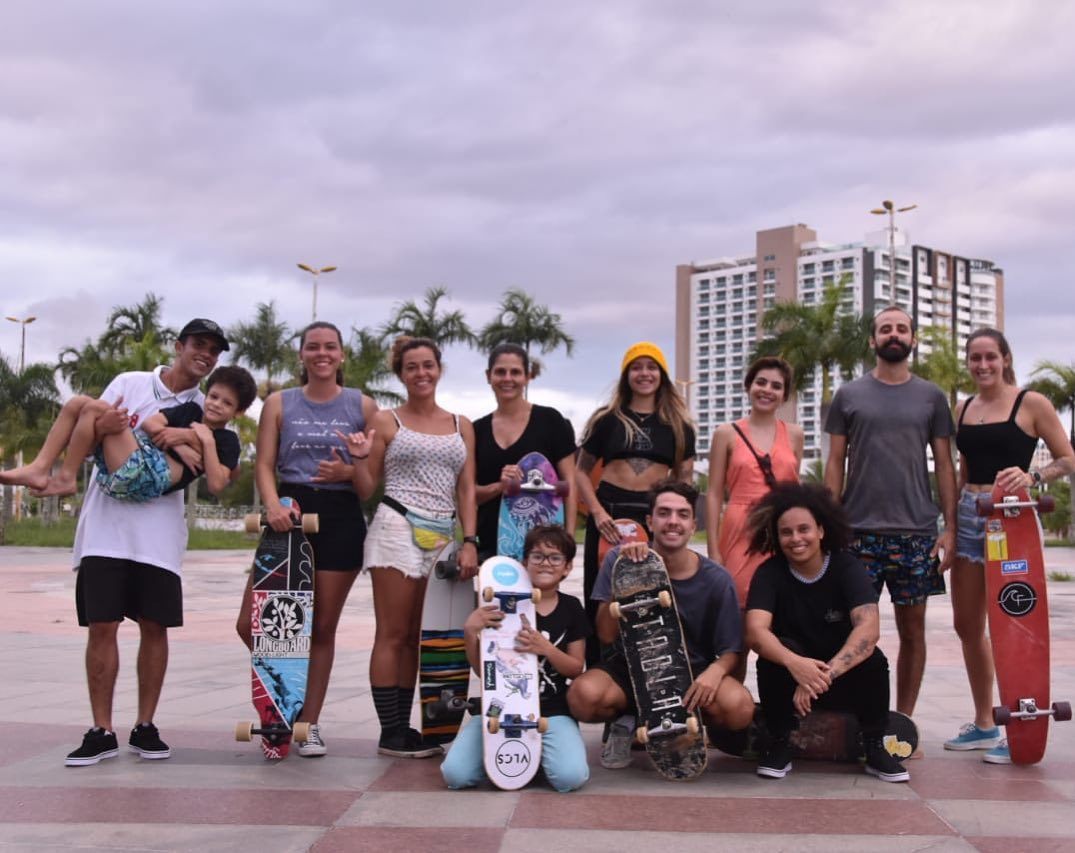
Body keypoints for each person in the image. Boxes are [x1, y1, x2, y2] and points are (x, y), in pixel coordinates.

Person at [64, 318, 228, 767]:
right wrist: (108, 426)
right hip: (105, 531)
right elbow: (90, 432)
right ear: (178, 346)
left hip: (159, 538)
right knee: (102, 627)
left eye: (214, 350)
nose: (205, 354)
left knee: (155, 628)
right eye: (198, 344)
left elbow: (209, 473)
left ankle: (145, 725)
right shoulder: (130, 383)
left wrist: (191, 439)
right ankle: (101, 730)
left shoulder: (207, 410)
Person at [237, 321, 378, 758]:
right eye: (313, 347)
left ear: (341, 354)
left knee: (320, 629)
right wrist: (272, 506)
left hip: (340, 517)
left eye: (330, 347)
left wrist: (352, 468)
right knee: (252, 623)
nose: (322, 354)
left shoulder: (363, 405)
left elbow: (369, 487)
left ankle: (307, 724)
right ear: (301, 354)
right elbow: (264, 463)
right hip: (289, 516)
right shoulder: (279, 403)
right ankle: (284, 690)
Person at [944, 328, 1075, 763]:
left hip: (1012, 518)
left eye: (990, 357)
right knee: (967, 624)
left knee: (1013, 624)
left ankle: (1020, 725)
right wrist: (951, 525)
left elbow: (1068, 458)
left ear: (1005, 359)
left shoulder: (1031, 403)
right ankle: (985, 723)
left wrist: (1033, 476)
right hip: (971, 514)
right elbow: (963, 472)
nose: (982, 365)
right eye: (975, 358)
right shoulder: (963, 408)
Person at [824, 305, 956, 722]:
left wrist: (950, 527)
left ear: (913, 339)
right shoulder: (848, 395)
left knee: (913, 632)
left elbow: (945, 464)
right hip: (857, 534)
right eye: (885, 329)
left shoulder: (932, 397)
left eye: (901, 328)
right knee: (850, 631)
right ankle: (853, 720)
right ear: (873, 340)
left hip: (916, 535)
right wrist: (829, 523)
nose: (893, 334)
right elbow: (835, 462)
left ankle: (903, 722)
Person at [567, 479, 754, 769]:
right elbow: (604, 634)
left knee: (739, 708)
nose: (673, 521)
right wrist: (628, 578)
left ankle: (688, 725)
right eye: (664, 513)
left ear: (693, 525)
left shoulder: (716, 579)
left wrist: (714, 673)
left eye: (683, 514)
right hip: (630, 672)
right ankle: (627, 720)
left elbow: (731, 650)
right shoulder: (619, 559)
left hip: (690, 674)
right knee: (583, 697)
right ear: (650, 522)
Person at [353, 336, 478, 758]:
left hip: (443, 535)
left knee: (426, 636)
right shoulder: (386, 421)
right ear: (401, 374)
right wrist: (358, 458)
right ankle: (392, 731)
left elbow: (467, 489)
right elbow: (366, 487)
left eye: (428, 365)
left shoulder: (461, 425)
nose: (421, 373)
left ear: (439, 369)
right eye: (411, 367)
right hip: (396, 527)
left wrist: (470, 541)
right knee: (394, 633)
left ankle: (417, 728)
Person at [744, 482, 909, 782]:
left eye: (804, 529)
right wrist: (796, 665)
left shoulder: (847, 567)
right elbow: (756, 631)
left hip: (837, 678)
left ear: (821, 530)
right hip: (789, 682)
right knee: (773, 655)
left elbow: (869, 628)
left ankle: (874, 745)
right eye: (786, 532)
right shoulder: (769, 573)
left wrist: (821, 677)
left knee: (873, 659)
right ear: (777, 537)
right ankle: (780, 741)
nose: (796, 538)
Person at [440, 524, 591, 792]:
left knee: (570, 777)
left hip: (552, 711)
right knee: (455, 775)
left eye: (555, 558)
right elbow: (483, 671)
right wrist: (470, 632)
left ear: (567, 567)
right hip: (499, 707)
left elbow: (576, 668)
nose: (545, 563)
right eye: (537, 556)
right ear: (524, 563)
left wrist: (546, 648)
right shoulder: (499, 605)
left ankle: (541, 752)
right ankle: (507, 755)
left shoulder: (572, 608)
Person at [577, 342, 695, 664]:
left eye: (651, 367)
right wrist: (597, 513)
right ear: (626, 375)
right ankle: (600, 669)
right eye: (637, 367)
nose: (644, 373)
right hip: (609, 514)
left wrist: (675, 520)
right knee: (601, 595)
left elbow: (684, 481)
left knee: (650, 595)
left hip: (652, 514)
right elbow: (581, 472)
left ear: (662, 375)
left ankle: (650, 671)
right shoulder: (606, 419)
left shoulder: (679, 424)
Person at [2, 365, 256, 500]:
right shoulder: (190, 410)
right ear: (206, 394)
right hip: (135, 459)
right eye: (214, 396)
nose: (216, 404)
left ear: (238, 412)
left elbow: (217, 484)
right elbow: (150, 425)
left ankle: (66, 477)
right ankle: (41, 468)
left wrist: (206, 441)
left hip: (148, 477)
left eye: (227, 403)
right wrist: (181, 439)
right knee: (79, 403)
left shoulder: (228, 440)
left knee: (94, 408)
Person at [706, 356, 803, 680]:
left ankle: (777, 702)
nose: (767, 390)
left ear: (784, 394)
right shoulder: (726, 433)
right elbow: (714, 493)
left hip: (782, 533)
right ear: (749, 386)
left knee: (781, 621)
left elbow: (796, 489)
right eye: (761, 382)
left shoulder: (795, 434)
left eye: (776, 386)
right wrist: (714, 551)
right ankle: (735, 700)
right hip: (740, 533)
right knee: (737, 627)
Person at [473, 343, 577, 561]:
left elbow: (570, 485)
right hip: (491, 546)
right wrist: (500, 486)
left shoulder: (551, 421)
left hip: (543, 551)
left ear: (528, 377)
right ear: (488, 376)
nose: (507, 378)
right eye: (500, 372)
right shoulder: (477, 430)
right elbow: (468, 494)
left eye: (515, 372)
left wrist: (567, 541)